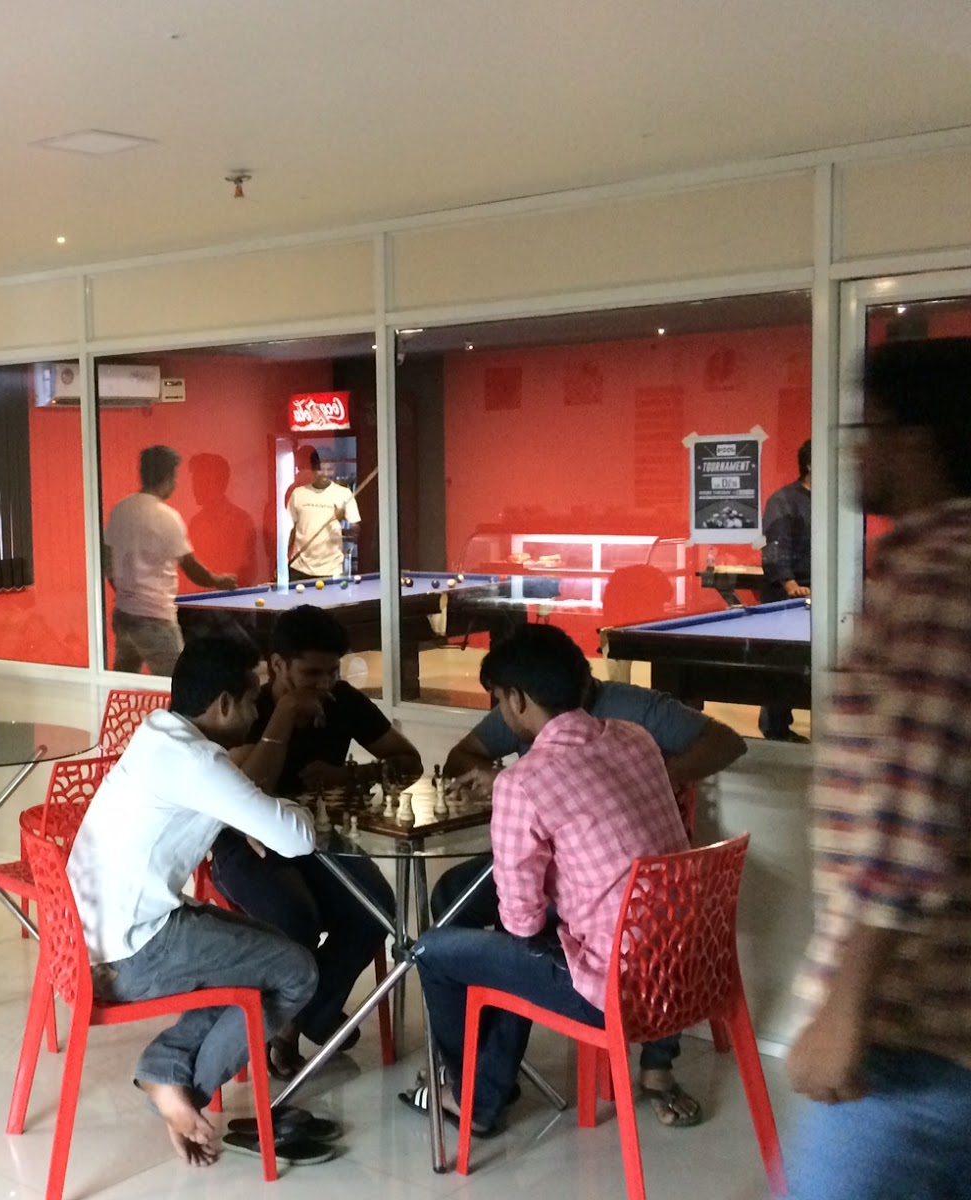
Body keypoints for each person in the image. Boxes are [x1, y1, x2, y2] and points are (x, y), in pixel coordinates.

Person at [784, 338, 971, 1199]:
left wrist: (845, 1007)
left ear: (919, 441)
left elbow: (909, 812)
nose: (854, 448)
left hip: (912, 1031)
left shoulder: (937, 575)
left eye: (867, 428)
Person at [416, 625, 738, 1124]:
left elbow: (521, 923)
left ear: (518, 700)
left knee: (432, 951)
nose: (501, 712)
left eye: (500, 699)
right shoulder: (635, 739)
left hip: (618, 992)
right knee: (505, 921)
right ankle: (492, 1078)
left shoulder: (522, 783)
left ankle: (473, 1096)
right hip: (689, 972)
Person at [66, 636, 324, 1167]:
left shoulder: (158, 736)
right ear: (225, 704)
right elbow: (297, 839)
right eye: (253, 701)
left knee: (265, 952)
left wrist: (245, 814)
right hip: (131, 953)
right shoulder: (196, 761)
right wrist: (289, 811)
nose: (257, 713)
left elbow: (210, 799)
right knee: (297, 970)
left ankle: (166, 1065)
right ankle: (181, 1088)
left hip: (89, 940)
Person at [212, 604, 420, 1075]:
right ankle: (296, 1027)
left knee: (376, 909)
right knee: (297, 920)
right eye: (311, 673)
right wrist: (284, 715)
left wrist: (348, 773)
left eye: (332, 672)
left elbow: (409, 762)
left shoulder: (341, 700)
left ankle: (304, 1019)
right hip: (244, 844)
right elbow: (246, 794)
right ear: (278, 665)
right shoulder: (252, 706)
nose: (324, 684)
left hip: (318, 838)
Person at [103, 445, 237, 676]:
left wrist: (126, 592)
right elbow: (191, 567)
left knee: (123, 682)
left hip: (123, 615)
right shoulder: (167, 517)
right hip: (155, 618)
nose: (176, 483)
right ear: (167, 477)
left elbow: (108, 561)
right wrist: (218, 580)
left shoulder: (120, 510)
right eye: (175, 476)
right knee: (175, 683)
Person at [759, 438, 812, 741]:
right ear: (810, 463)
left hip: (819, 592)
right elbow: (775, 548)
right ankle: (775, 729)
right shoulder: (784, 500)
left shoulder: (830, 500)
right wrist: (792, 585)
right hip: (787, 595)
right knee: (782, 665)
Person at [287, 449, 360, 580]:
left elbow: (356, 534)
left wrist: (343, 520)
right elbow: (290, 531)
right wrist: (280, 561)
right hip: (299, 567)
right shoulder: (298, 494)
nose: (325, 474)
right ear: (313, 469)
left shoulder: (344, 494)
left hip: (331, 569)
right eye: (320, 469)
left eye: (330, 469)